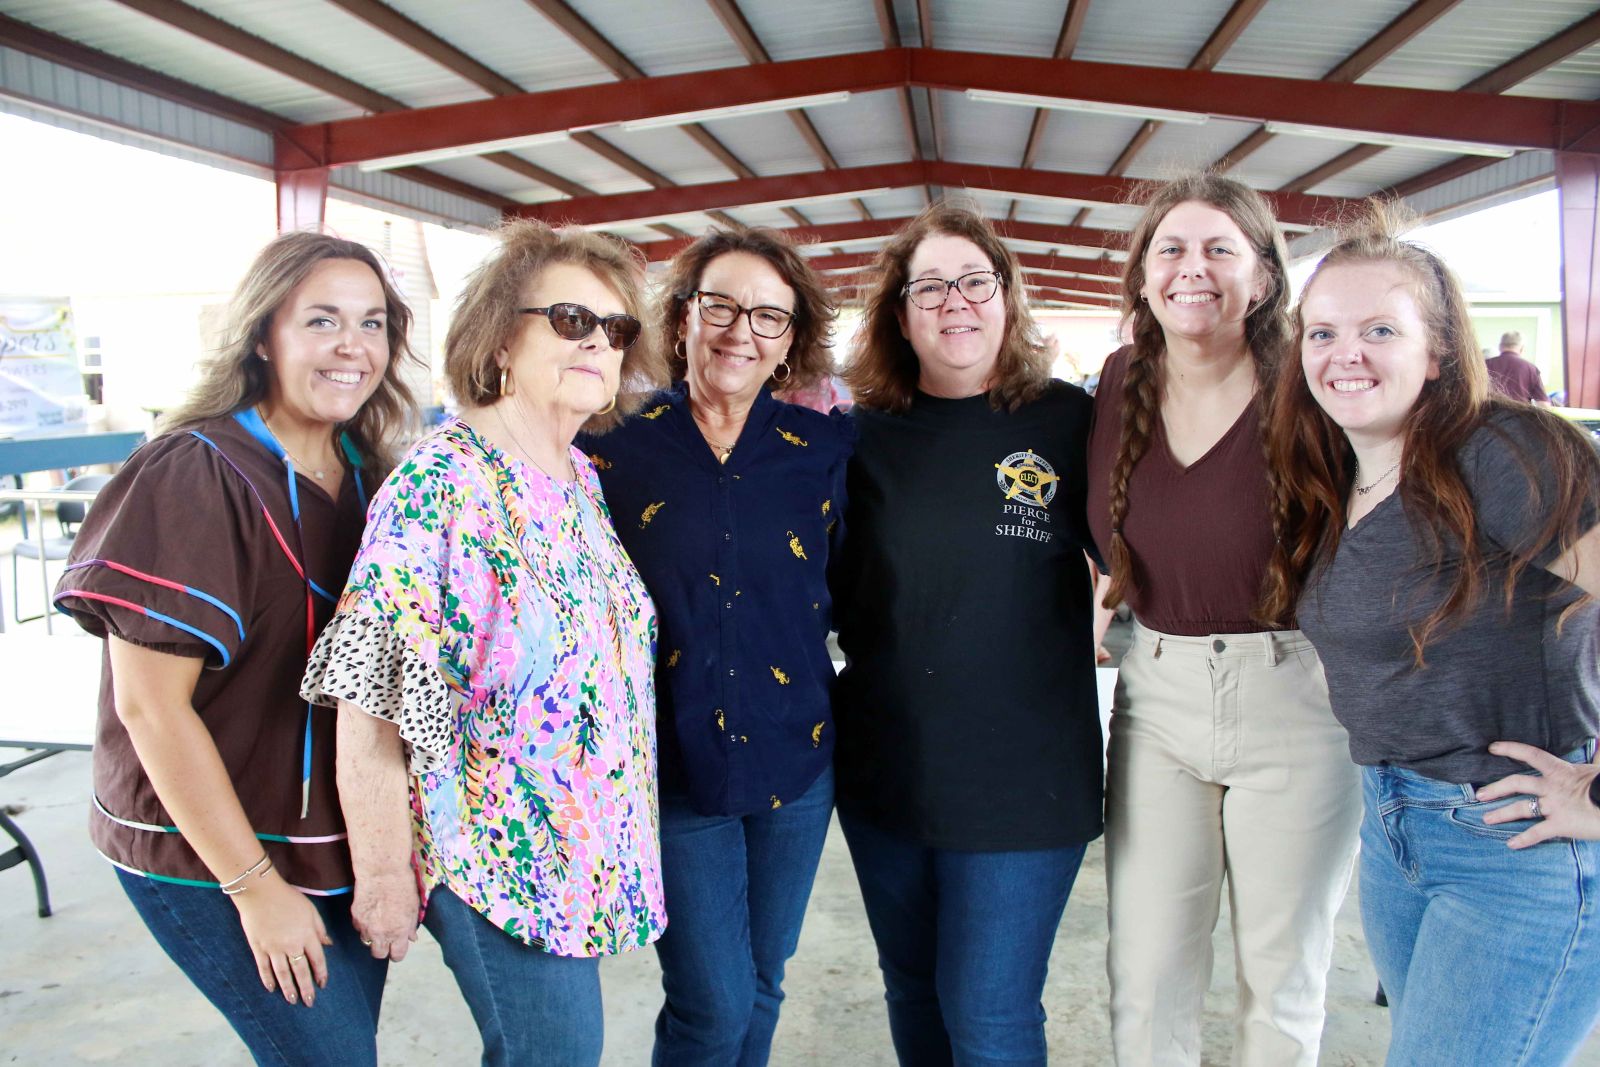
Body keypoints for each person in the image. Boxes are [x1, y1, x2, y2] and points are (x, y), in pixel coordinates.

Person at [300, 220, 670, 1067]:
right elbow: (371, 691)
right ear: (504, 334)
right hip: (495, 855)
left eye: (616, 331)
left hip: (579, 853)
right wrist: (387, 873)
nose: (598, 343)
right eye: (571, 319)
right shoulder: (444, 482)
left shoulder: (578, 478)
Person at [52, 231, 419, 1064]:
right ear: (264, 333)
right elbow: (148, 705)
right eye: (321, 320)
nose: (350, 347)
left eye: (371, 323)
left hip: (333, 833)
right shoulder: (196, 471)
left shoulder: (376, 477)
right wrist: (255, 890)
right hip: (209, 844)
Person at [1264, 203, 1600, 1065]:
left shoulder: (1507, 450)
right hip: (1397, 832)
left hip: (1515, 847)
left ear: (1440, 350)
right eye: (1324, 332)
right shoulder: (1342, 473)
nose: (1347, 354)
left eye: (1381, 328)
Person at [1086, 173, 1360, 1067]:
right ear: (1143, 276)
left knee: (1280, 980)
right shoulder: (1121, 379)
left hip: (1298, 694)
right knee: (1148, 972)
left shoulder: (1309, 385)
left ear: (1266, 279)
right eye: (1170, 248)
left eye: (1218, 249)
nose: (1191, 269)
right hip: (1156, 693)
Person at [832, 202, 1101, 1066]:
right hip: (887, 774)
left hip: (1026, 781)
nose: (956, 302)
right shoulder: (856, 438)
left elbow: (1153, 539)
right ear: (900, 315)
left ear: (1009, 298)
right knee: (911, 990)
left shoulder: (1071, 422)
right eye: (930, 287)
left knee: (987, 1015)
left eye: (975, 281)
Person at [582, 226, 849, 1066]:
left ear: (792, 342)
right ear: (683, 318)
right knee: (711, 1003)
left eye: (769, 316)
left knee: (765, 979)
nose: (742, 331)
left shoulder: (826, 452)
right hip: (671, 765)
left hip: (795, 757)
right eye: (722, 306)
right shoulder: (610, 445)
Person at [1484, 329, 1549, 404]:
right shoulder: (1531, 369)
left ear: (1500, 347)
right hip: (1519, 414)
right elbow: (1543, 404)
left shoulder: (1485, 365)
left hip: (1489, 414)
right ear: (1522, 348)